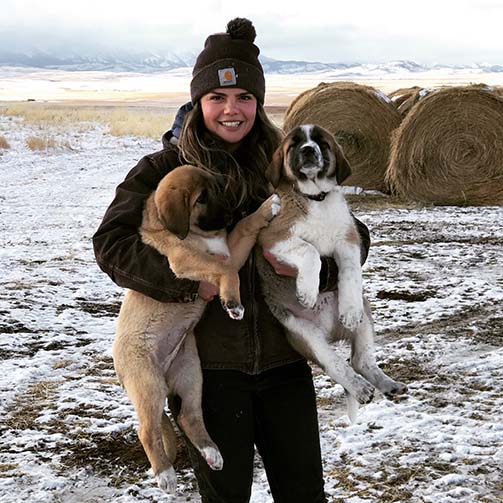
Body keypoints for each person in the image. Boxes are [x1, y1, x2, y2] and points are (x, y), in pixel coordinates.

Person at [93, 17, 370, 503]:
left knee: (304, 492)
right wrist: (188, 284)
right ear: (199, 102)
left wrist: (319, 270)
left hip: (286, 359)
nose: (231, 109)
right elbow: (111, 243)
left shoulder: (283, 161)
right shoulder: (164, 170)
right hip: (213, 369)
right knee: (226, 497)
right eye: (217, 98)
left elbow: (351, 231)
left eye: (244, 97)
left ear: (258, 103)